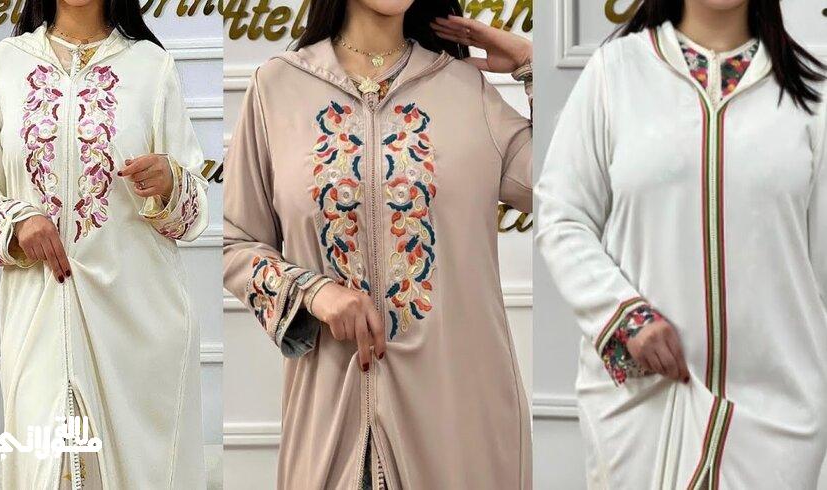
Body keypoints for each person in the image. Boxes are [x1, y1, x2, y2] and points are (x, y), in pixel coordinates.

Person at [222, 0, 533, 487]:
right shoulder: (277, 87)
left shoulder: (465, 89)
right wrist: (312, 292)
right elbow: (235, 242)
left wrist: (531, 65)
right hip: (332, 420)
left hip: (458, 428)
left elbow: (568, 187)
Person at [535, 0, 826, 487]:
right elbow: (562, 215)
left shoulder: (812, 94)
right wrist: (624, 316)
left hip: (779, 422)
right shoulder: (616, 73)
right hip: (644, 410)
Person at [0, 0, 209, 487]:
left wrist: (170, 182)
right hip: (38, 316)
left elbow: (196, 206)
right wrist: (17, 219)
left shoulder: (151, 66)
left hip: (139, 326)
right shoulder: (6, 64)